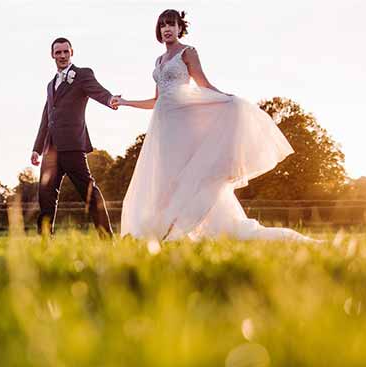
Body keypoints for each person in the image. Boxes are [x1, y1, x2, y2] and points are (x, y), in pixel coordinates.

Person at [117, 9, 316, 242]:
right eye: (162, 26)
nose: (167, 29)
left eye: (171, 24)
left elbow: (204, 85)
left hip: (183, 127)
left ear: (180, 28)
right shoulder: (158, 61)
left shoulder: (188, 53)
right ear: (158, 30)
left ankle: (172, 231)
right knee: (164, 183)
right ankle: (165, 232)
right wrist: (125, 102)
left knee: (188, 181)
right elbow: (157, 100)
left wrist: (228, 100)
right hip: (162, 131)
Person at [31, 37, 121, 237]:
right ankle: (46, 241)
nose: (62, 56)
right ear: (52, 55)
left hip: (73, 146)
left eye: (65, 52)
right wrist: (37, 148)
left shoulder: (82, 75)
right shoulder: (50, 84)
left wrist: (109, 99)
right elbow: (46, 117)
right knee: (45, 197)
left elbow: (98, 91)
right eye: (58, 52)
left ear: (72, 52)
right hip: (50, 151)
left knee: (89, 193)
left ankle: (107, 237)